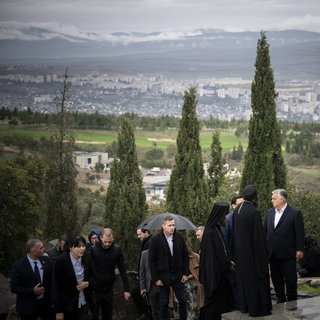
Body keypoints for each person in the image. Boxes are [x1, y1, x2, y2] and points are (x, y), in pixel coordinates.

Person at [231, 185, 271, 317]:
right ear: (254, 198)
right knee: (256, 283)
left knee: (244, 283)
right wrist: (264, 258)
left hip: (241, 256)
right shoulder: (253, 212)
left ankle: (246, 307)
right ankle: (257, 309)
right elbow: (258, 238)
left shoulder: (237, 211)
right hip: (253, 256)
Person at [265, 188, 305, 303]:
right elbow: (265, 231)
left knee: (290, 280)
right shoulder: (269, 213)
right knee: (276, 279)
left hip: (288, 253)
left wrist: (300, 249)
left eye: (274, 198)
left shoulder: (294, 212)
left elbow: (300, 232)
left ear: (282, 199)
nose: (272, 200)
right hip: (272, 254)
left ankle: (292, 301)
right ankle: (280, 299)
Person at [149, 215, 190, 320]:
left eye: (173, 225)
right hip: (163, 276)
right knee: (163, 302)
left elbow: (185, 255)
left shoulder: (179, 236)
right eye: (170, 225)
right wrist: (156, 279)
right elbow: (151, 261)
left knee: (183, 300)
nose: (172, 227)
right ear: (163, 226)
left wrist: (185, 273)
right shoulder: (155, 239)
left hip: (178, 274)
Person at [199, 202, 233, 320]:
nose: (226, 217)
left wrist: (228, 261)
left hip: (221, 274)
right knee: (212, 306)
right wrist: (213, 278)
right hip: (214, 276)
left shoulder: (217, 229)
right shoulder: (209, 233)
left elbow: (222, 250)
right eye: (224, 215)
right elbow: (210, 259)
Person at [90, 228, 130, 320]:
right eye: (105, 241)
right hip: (95, 288)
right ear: (100, 238)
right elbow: (88, 269)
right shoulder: (93, 249)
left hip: (108, 288)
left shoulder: (117, 250)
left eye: (110, 242)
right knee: (94, 315)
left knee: (108, 315)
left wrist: (127, 289)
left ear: (113, 239)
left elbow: (122, 270)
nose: (107, 244)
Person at [52, 235, 94, 320]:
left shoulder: (88, 257)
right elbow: (57, 287)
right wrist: (59, 311)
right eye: (78, 246)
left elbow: (95, 276)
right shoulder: (61, 261)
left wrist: (88, 283)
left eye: (83, 246)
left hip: (85, 302)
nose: (82, 249)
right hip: (69, 305)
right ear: (70, 247)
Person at [10, 239, 53, 320]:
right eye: (41, 248)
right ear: (33, 251)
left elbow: (51, 280)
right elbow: (14, 288)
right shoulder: (18, 266)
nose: (44, 249)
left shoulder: (46, 260)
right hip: (27, 307)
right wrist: (32, 291)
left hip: (46, 305)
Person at [135, 228, 154, 319]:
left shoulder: (150, 243)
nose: (138, 237)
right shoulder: (145, 242)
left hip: (149, 278)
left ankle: (146, 313)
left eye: (140, 234)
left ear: (146, 232)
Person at [184, 238, 204, 320]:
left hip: (193, 285)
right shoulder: (174, 258)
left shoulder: (196, 257)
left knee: (194, 307)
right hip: (180, 286)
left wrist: (190, 276)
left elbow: (201, 272)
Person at [140, 249, 160, 320]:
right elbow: (142, 271)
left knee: (165, 308)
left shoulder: (165, 251)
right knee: (154, 310)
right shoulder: (144, 254)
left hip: (163, 284)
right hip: (151, 286)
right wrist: (142, 287)